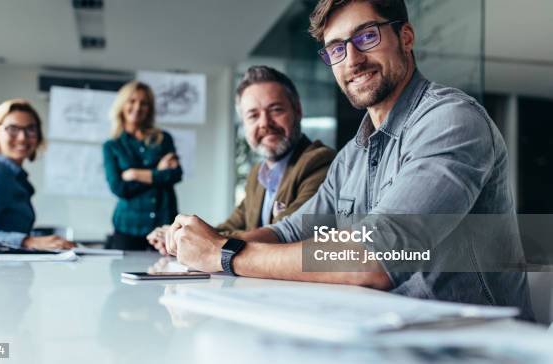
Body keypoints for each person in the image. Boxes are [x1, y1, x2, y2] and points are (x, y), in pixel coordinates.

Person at [162, 0, 533, 318]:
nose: (352, 60)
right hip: (386, 333)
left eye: (367, 36)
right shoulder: (352, 156)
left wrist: (225, 254)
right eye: (336, 49)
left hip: (477, 346)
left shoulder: (451, 120)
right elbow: (293, 231)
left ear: (405, 37)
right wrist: (207, 242)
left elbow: (373, 258)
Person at [146, 66, 335, 254]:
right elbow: (230, 225)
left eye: (276, 110)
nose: (264, 123)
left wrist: (200, 241)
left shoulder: (319, 162)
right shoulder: (257, 174)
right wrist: (180, 235)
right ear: (244, 124)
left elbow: (286, 233)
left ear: (298, 110)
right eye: (253, 115)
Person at [0, 99, 75, 250]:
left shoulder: (14, 176)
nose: (22, 137)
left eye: (30, 129)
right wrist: (27, 241)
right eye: (12, 128)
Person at [103, 81, 182, 250]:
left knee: (167, 273)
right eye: (132, 101)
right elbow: (119, 188)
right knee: (121, 275)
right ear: (122, 105)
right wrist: (158, 172)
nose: (138, 107)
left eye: (144, 103)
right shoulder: (112, 146)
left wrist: (134, 174)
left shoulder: (163, 139)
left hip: (164, 224)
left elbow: (175, 175)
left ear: (150, 108)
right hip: (127, 227)